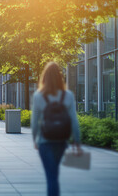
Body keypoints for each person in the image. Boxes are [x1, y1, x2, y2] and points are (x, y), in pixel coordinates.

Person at [31, 62, 81, 196]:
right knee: (55, 174)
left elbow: (35, 121)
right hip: (61, 141)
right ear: (60, 77)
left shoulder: (39, 96)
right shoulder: (68, 95)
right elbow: (73, 120)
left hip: (45, 141)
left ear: (44, 77)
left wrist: (35, 139)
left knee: (51, 176)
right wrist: (77, 140)